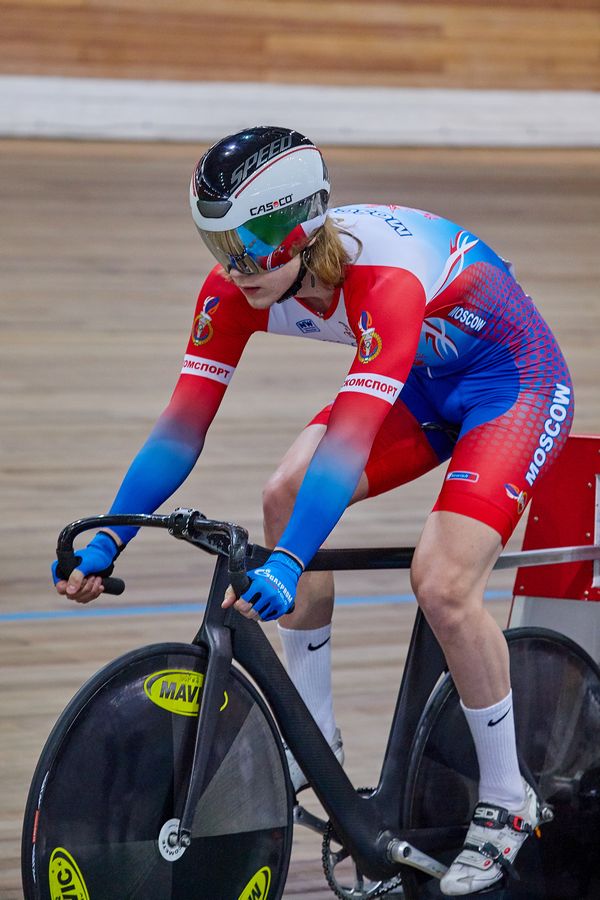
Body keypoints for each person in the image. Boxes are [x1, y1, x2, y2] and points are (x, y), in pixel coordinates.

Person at [53, 126, 573, 895]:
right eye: (217, 244)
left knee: (442, 583)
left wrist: (291, 560)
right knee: (285, 494)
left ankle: (507, 797)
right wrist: (109, 536)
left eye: (247, 246)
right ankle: (315, 737)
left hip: (513, 385)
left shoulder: (385, 282)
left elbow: (350, 444)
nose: (232, 268)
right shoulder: (236, 288)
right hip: (423, 380)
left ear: (299, 228)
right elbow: (180, 428)